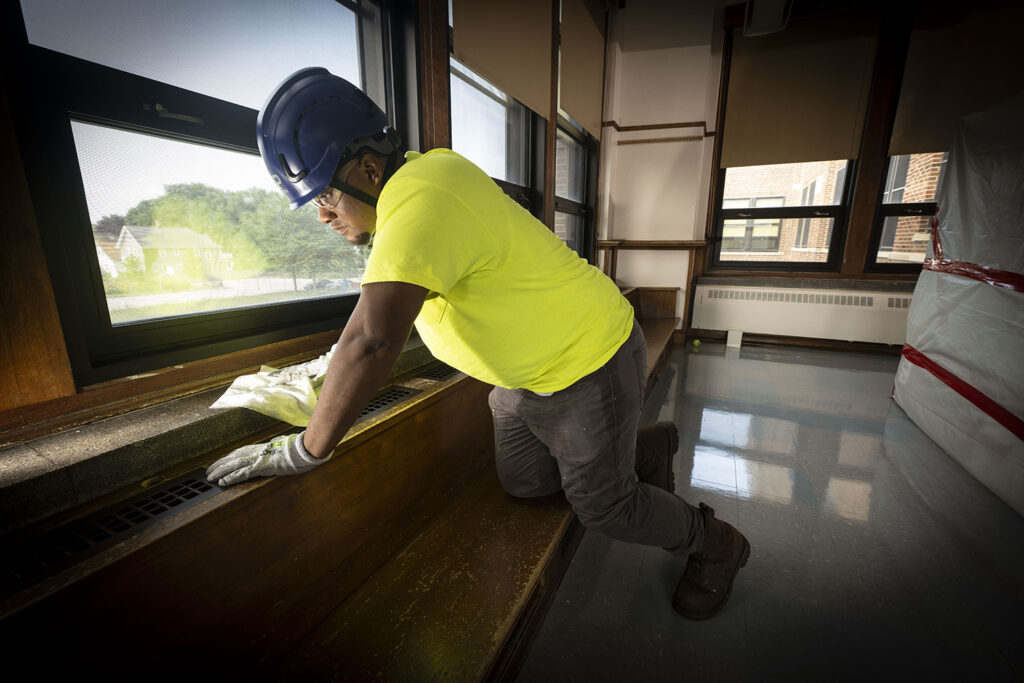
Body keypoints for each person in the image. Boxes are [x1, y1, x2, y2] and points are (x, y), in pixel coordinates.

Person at [206, 67, 750, 619]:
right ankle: (644, 447)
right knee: (525, 484)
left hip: (587, 362)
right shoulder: (417, 183)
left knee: (605, 507)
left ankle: (718, 543)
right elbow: (372, 319)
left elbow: (371, 342)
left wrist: (305, 451)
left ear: (369, 169)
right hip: (525, 376)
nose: (323, 216)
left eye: (325, 196)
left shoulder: (419, 203)